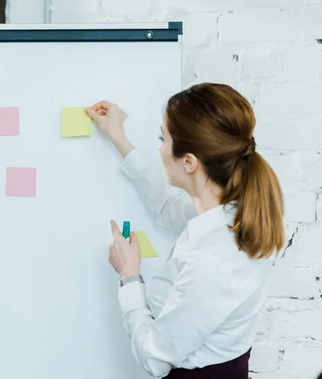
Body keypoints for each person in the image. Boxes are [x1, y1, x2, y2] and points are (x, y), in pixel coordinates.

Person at [85, 83, 284, 379]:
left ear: (189, 162)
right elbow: (167, 208)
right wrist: (117, 135)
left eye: (162, 139)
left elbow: (153, 358)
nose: (159, 148)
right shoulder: (234, 211)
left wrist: (130, 276)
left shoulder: (212, 261)